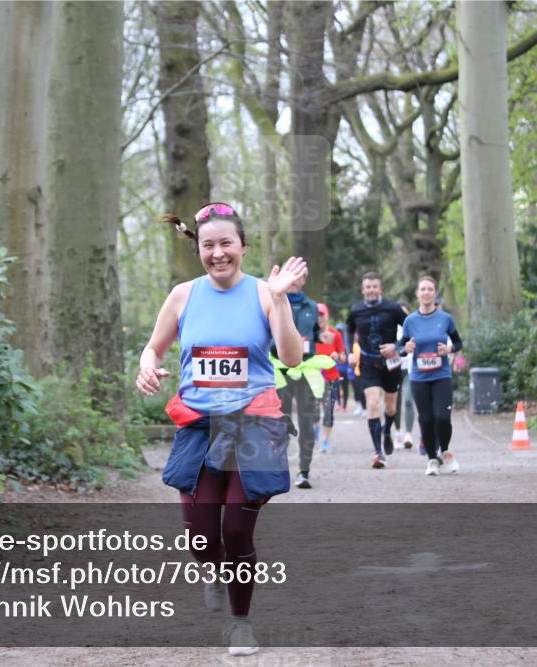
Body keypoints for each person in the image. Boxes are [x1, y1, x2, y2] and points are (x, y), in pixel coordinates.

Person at [135, 202, 306, 656]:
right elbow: (153, 349)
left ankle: (240, 623)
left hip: (253, 426)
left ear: (243, 247)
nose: (218, 253)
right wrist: (146, 368)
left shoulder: (264, 293)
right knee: (201, 536)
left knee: (236, 533)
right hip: (198, 426)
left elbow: (291, 357)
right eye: (208, 245)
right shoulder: (182, 295)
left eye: (226, 243)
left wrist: (282, 296)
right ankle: (213, 572)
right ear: (199, 249)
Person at [396, 275, 463, 476]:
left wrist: (449, 349)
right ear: (417, 294)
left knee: (442, 417)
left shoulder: (445, 319)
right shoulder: (410, 321)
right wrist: (405, 348)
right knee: (426, 419)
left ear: (435, 294)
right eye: (422, 289)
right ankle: (432, 459)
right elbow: (401, 347)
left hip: (441, 375)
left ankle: (446, 452)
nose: (426, 292)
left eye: (429, 289)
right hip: (419, 377)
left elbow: (458, 343)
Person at [346, 272, 405, 469]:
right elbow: (349, 330)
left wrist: (396, 346)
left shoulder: (393, 308)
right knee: (372, 404)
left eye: (374, 287)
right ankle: (378, 452)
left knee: (390, 408)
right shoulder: (356, 310)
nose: (371, 290)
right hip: (368, 363)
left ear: (380, 289)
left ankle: (387, 430)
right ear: (363, 290)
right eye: (368, 287)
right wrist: (349, 352)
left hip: (391, 363)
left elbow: (411, 329)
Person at [271, 269, 321, 489]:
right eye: (290, 276)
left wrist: (319, 340)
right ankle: (280, 469)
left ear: (303, 280)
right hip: (279, 372)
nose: (293, 281)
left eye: (298, 277)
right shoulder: (272, 302)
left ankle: (304, 471)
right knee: (280, 422)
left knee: (307, 422)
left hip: (306, 371)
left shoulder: (312, 306)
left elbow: (316, 335)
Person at [313, 303, 346, 453]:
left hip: (330, 378)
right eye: (317, 315)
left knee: (328, 411)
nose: (319, 318)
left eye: (322, 314)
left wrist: (337, 356)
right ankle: (314, 433)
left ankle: (325, 441)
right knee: (312, 410)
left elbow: (343, 357)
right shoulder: (310, 334)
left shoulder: (335, 334)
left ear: (327, 316)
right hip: (312, 378)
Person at [393, 301, 417, 450]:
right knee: (395, 404)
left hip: (409, 370)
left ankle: (408, 433)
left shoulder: (413, 328)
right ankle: (397, 432)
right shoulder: (390, 329)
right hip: (394, 370)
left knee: (408, 401)